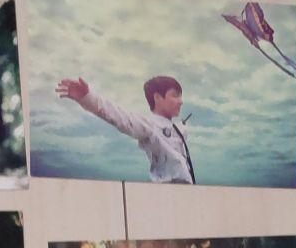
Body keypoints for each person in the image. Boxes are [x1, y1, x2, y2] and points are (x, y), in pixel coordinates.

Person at [55, 74, 195, 184]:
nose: (181, 101)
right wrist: (88, 97)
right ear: (158, 97)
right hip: (168, 192)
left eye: (180, 96)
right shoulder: (149, 124)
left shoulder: (176, 129)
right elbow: (121, 118)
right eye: (175, 95)